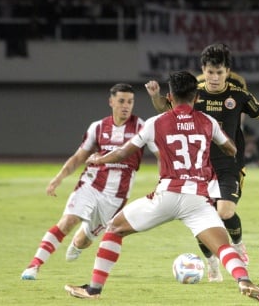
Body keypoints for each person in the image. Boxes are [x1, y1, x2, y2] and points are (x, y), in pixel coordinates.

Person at [64, 70, 259, 302]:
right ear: (196, 97)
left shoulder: (155, 123)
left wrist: (100, 158)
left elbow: (123, 153)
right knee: (223, 246)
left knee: (115, 228)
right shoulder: (208, 121)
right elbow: (231, 149)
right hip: (197, 198)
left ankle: (93, 289)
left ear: (169, 97)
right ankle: (244, 281)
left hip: (166, 194)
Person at [145, 43, 259, 282]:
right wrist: (156, 96)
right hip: (199, 168)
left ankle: (238, 244)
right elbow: (165, 109)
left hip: (230, 163)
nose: (214, 78)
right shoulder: (193, 93)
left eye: (219, 72)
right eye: (210, 72)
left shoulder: (238, 95)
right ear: (203, 70)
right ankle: (211, 264)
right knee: (202, 219)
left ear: (227, 72)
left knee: (225, 211)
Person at [21, 83, 157, 280]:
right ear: (111, 102)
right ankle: (33, 266)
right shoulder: (98, 127)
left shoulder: (142, 127)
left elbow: (161, 154)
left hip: (116, 196)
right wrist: (58, 178)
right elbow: (78, 157)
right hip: (91, 184)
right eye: (121, 101)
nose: (126, 106)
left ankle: (77, 244)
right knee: (67, 221)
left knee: (84, 240)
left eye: (130, 101)